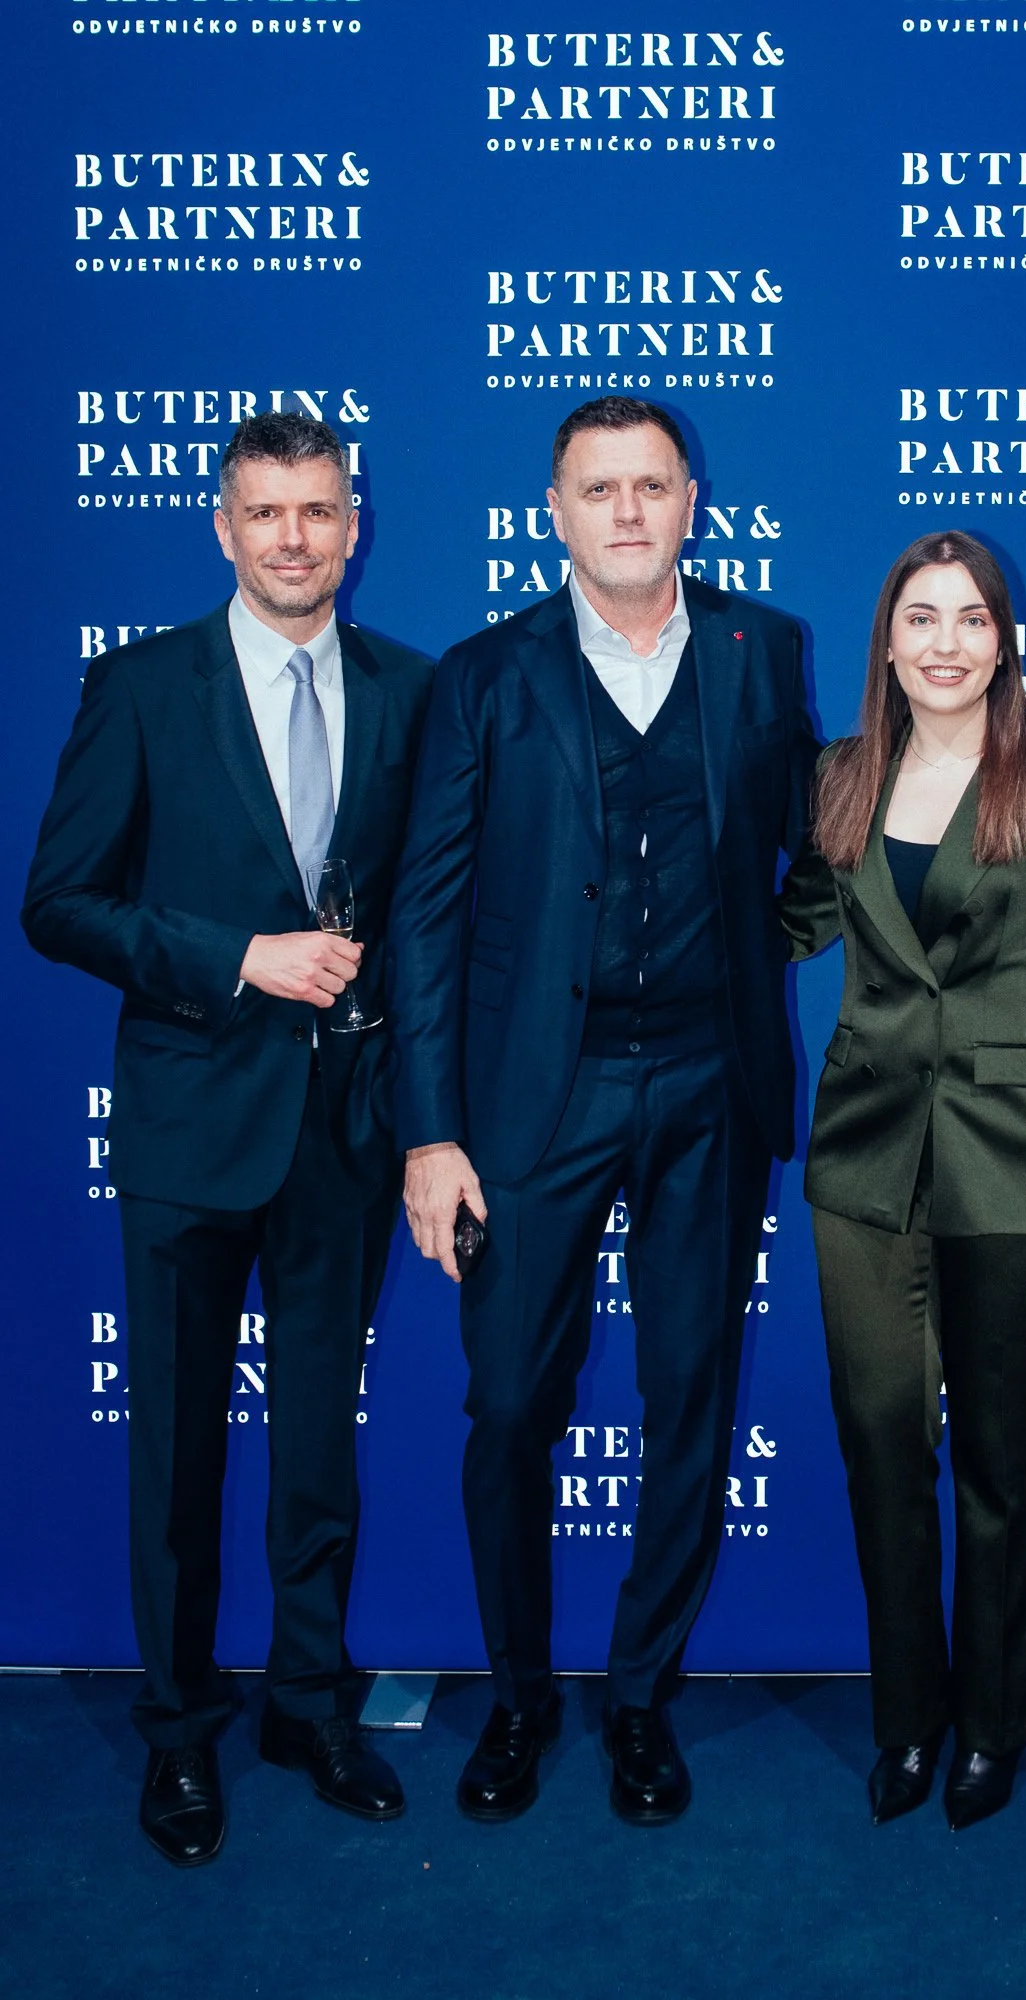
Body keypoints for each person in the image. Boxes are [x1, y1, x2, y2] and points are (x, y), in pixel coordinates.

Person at [389, 396, 819, 1827]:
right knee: (512, 1402)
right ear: (555, 511)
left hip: (709, 1082)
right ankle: (518, 1696)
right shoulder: (486, 676)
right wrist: (431, 1131)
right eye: (597, 489)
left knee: (689, 1396)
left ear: (692, 499)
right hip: (532, 1101)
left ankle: (639, 1700)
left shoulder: (767, 654)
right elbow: (429, 919)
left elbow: (806, 859)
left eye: (651, 486)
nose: (627, 511)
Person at [21, 413, 434, 1865]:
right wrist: (233, 958)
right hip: (190, 1132)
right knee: (180, 1455)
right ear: (221, 527)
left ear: (354, 522)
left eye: (318, 511)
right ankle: (182, 1734)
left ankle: (307, 1706)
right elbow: (57, 902)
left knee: (319, 1444)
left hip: (344, 1133)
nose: (294, 539)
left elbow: (426, 915)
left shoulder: (406, 690)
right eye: (265, 514)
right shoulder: (138, 687)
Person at [781, 530, 1026, 1831]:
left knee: (999, 1463)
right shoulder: (838, 778)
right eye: (920, 618)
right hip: (863, 1159)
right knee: (883, 1451)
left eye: (970, 619)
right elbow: (784, 922)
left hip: (1021, 1161)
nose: (944, 642)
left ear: (1004, 639)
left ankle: (995, 1721)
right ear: (886, 641)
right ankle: (907, 1720)